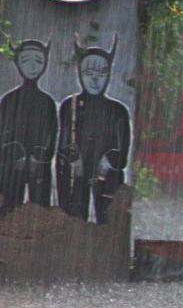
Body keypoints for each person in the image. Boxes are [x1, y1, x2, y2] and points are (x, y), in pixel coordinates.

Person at [56, 35, 131, 225]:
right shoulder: (69, 105)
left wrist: (107, 161)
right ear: (80, 74)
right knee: (73, 216)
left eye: (102, 73)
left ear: (109, 75)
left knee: (107, 218)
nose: (95, 80)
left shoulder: (118, 110)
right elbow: (64, 142)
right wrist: (75, 160)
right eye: (89, 73)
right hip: (77, 171)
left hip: (106, 174)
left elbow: (123, 150)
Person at [0, 39, 57, 215]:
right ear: (18, 63)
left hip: (38, 165)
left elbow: (51, 133)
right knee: (9, 207)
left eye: (38, 61)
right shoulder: (9, 100)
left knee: (39, 207)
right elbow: (2, 131)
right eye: (26, 61)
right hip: (11, 164)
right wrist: (14, 153)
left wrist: (38, 156)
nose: (32, 67)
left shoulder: (47, 102)